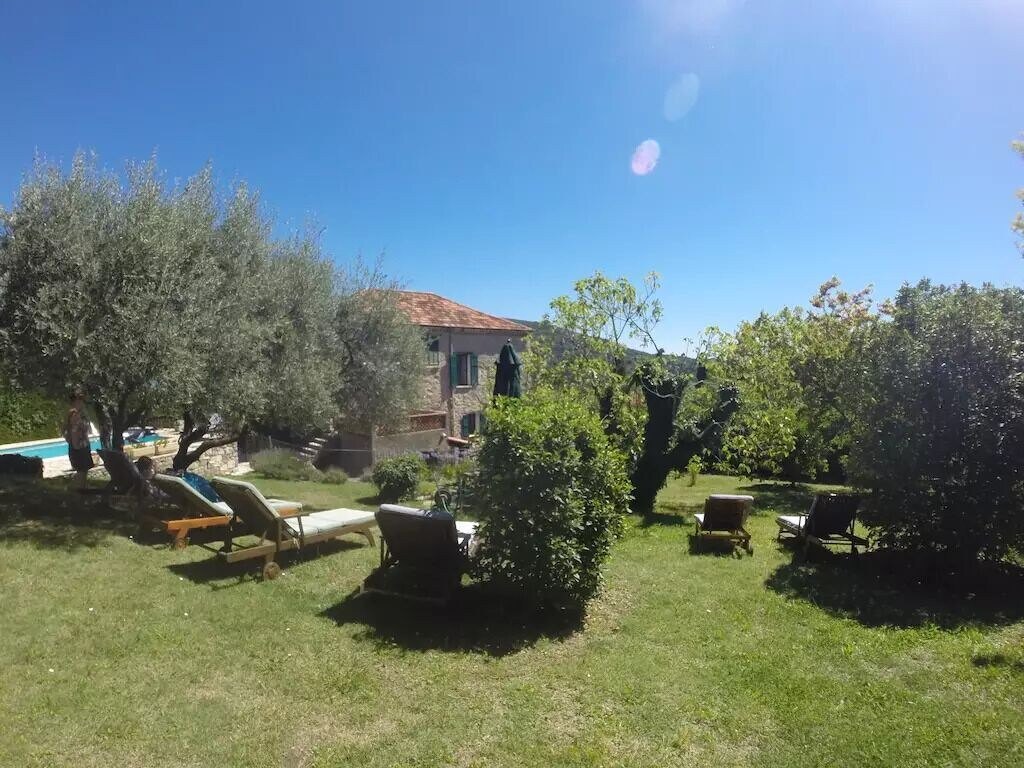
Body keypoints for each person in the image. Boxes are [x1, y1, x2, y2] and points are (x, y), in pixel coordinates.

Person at [63, 390, 94, 488]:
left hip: (82, 445)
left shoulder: (79, 413)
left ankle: (81, 492)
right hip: (78, 447)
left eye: (82, 400)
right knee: (81, 472)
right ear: (74, 401)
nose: (81, 402)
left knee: (84, 471)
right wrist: (72, 441)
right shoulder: (73, 413)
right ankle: (75, 492)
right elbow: (72, 429)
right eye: (79, 400)